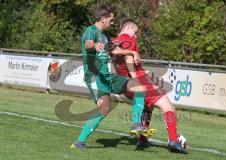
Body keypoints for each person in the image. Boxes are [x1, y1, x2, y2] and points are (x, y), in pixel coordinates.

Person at [71, 5, 154, 149]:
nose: (113, 22)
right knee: (104, 108)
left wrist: (132, 52)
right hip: (95, 77)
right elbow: (88, 43)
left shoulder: (105, 35)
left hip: (108, 76)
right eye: (111, 19)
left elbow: (114, 49)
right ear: (103, 19)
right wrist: (94, 44)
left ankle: (136, 124)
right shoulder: (91, 31)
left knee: (140, 87)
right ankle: (79, 142)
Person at [111, 18, 187, 154]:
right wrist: (136, 78)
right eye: (135, 32)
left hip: (126, 85)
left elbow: (119, 61)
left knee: (148, 106)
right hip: (138, 81)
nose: (135, 36)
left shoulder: (114, 42)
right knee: (168, 107)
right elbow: (129, 58)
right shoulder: (129, 38)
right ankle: (174, 140)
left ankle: (142, 139)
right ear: (128, 29)